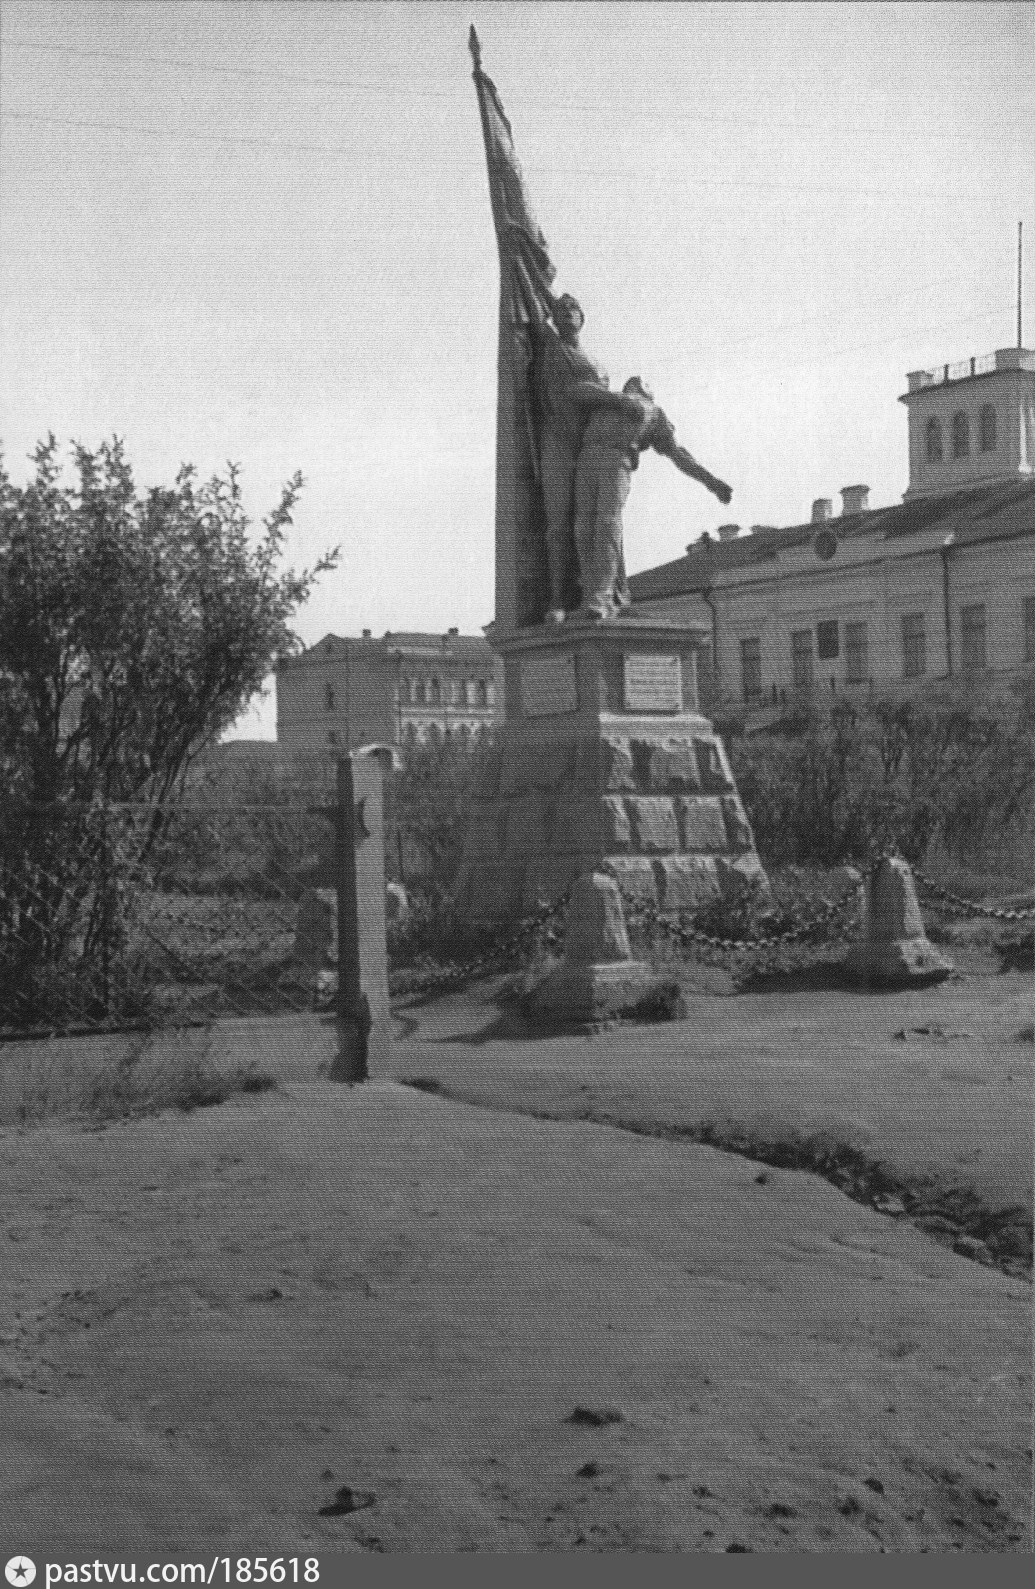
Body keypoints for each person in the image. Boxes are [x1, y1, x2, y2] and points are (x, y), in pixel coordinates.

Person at [573, 377, 732, 619]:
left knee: (607, 524)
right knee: (583, 529)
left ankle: (601, 596)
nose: (635, 381)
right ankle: (590, 594)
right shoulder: (605, 399)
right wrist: (618, 400)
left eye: (641, 384)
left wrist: (711, 482)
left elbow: (678, 454)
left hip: (617, 461)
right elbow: (576, 391)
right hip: (586, 459)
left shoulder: (654, 413)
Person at [531, 293, 611, 622]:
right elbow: (569, 391)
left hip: (589, 446)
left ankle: (594, 593)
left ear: (582, 317)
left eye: (571, 309)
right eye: (558, 310)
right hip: (558, 443)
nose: (564, 314)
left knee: (594, 523)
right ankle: (557, 598)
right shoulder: (552, 346)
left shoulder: (598, 364)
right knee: (558, 523)